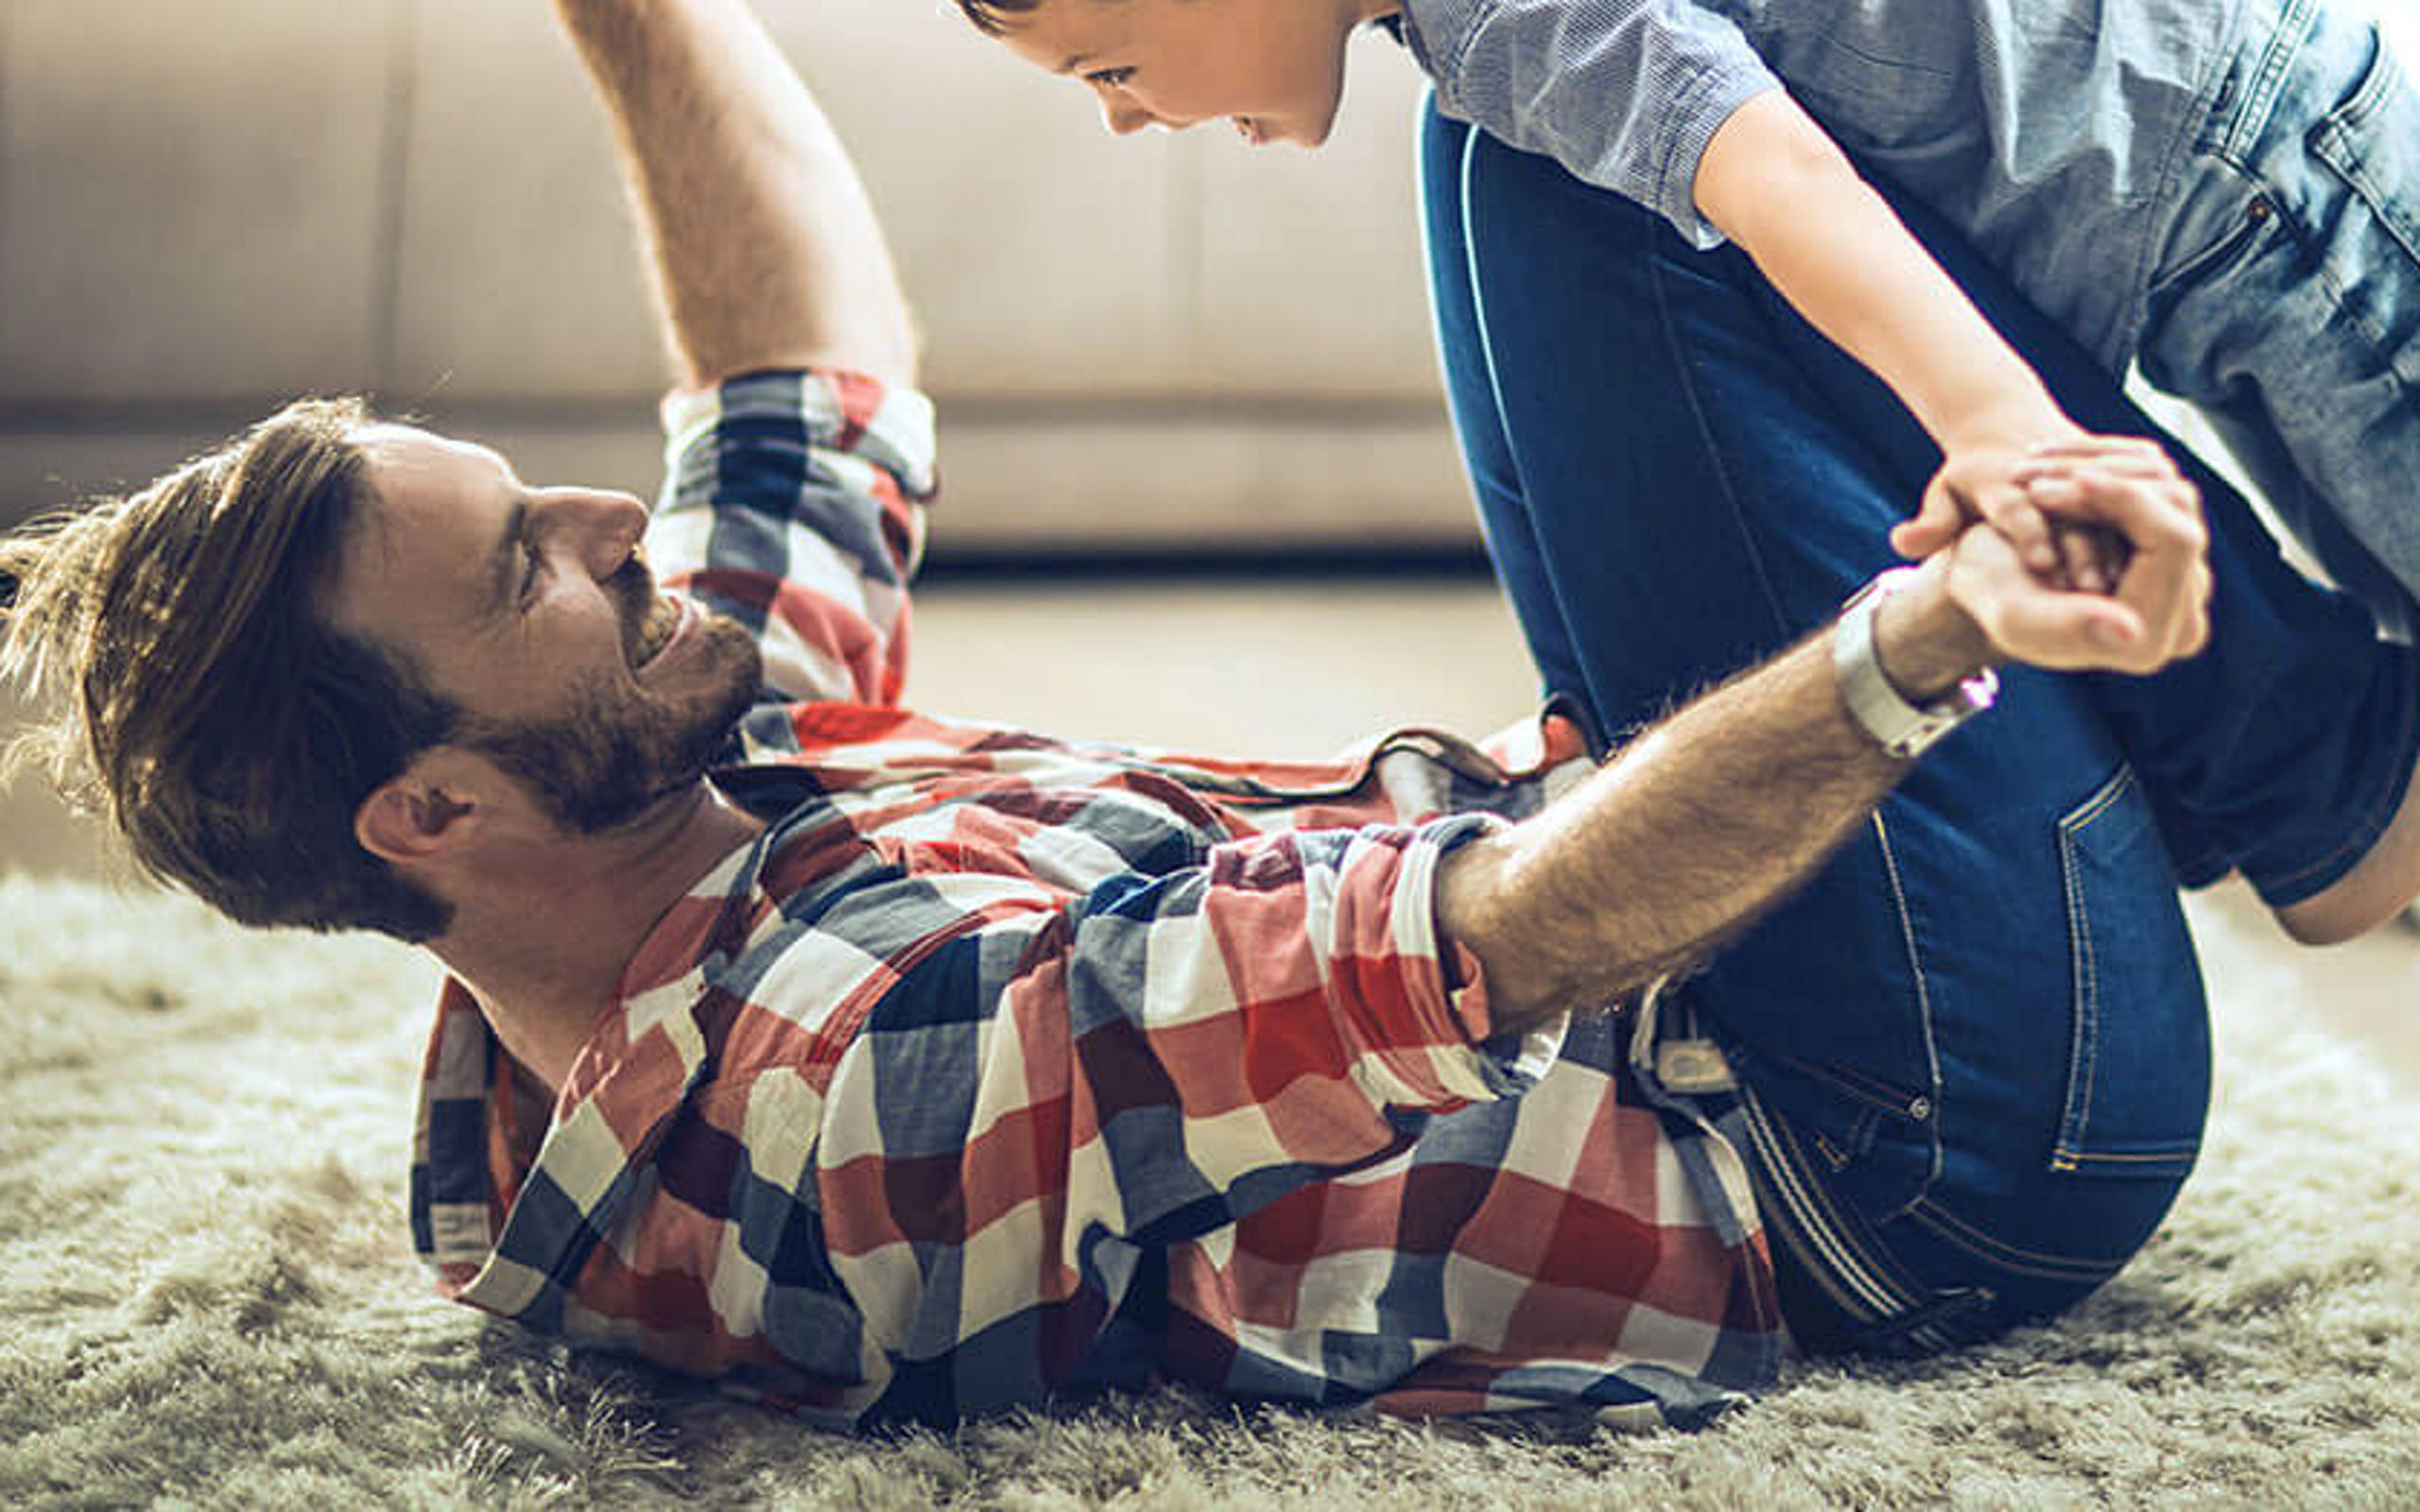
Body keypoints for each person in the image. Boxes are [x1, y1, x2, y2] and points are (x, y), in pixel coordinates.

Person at [0, 0, 2383, 1433]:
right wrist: (1923, 642)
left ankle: (2309, 766)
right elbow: (1478, 945)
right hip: (1918, 1157)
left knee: (1521, 113)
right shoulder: (825, 1096)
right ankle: (2324, 769)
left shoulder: (648, 801)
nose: (618, 520)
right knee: (1572, 168)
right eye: (528, 557)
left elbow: (791, 386)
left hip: (1784, 995)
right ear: (426, 804)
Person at [957, 0, 2420, 627]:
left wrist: (2001, 430)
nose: (1127, 124)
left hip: (2264, 189)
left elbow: (1774, 170)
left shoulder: (1510, 23)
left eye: (1111, 65)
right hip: (2222, 185)